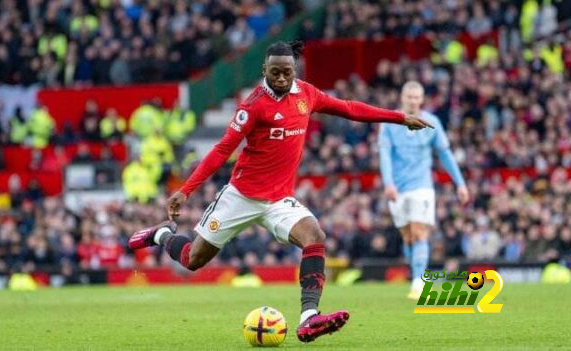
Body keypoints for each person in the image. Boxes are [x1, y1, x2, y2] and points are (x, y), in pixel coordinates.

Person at [128, 41, 432, 343]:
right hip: (240, 197)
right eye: (275, 73)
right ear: (264, 71)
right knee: (193, 260)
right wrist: (186, 190)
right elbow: (222, 150)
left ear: (295, 69)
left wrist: (398, 117)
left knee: (315, 236)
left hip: (279, 201)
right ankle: (161, 235)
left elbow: (350, 108)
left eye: (287, 72)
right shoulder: (253, 106)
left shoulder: (307, 94)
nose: (282, 78)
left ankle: (309, 317)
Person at [378, 81, 469, 300]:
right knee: (408, 236)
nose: (413, 101)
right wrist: (388, 183)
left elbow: (445, 154)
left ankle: (419, 282)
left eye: (417, 97)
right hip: (398, 189)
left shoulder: (432, 122)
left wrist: (460, 183)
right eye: (409, 97)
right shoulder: (389, 123)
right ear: (402, 97)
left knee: (419, 231)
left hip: (422, 187)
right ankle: (415, 276)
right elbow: (385, 155)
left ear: (421, 99)